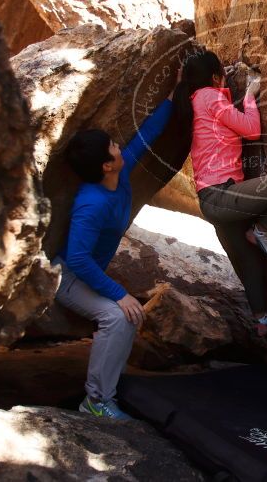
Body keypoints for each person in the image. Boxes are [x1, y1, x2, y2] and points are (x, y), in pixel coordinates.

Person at [51, 75, 178, 420]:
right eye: (113, 147)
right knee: (118, 316)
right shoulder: (91, 204)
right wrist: (118, 292)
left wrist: (171, 94)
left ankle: (109, 386)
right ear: (106, 165)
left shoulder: (117, 176)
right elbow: (77, 257)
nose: (119, 147)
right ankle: (96, 400)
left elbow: (143, 139)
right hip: (67, 277)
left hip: (85, 273)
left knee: (129, 315)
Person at [173, 50, 267, 337]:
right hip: (223, 195)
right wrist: (250, 94)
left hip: (214, 198)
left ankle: (261, 319)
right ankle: (263, 229)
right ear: (214, 76)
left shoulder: (196, 101)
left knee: (247, 260)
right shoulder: (209, 98)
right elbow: (251, 130)